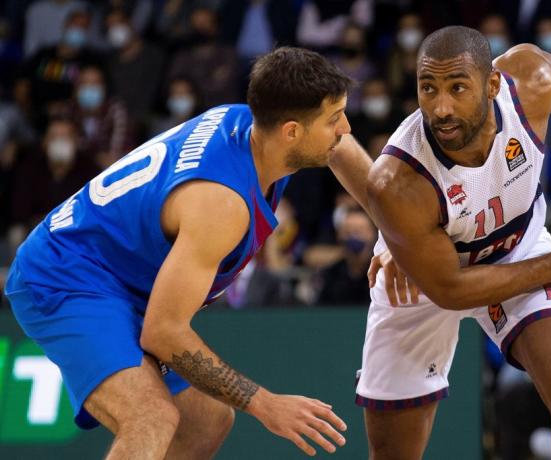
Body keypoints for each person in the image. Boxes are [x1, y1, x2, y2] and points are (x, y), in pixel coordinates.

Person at [4, 46, 373, 459]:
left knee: (207, 423)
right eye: (333, 118)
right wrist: (266, 404)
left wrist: (398, 236)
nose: (344, 128)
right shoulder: (220, 204)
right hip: (67, 273)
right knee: (150, 417)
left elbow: (347, 156)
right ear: (292, 131)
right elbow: (163, 333)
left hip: (119, 271)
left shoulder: (255, 125)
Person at [356, 26, 551, 459]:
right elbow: (449, 290)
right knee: (394, 452)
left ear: (492, 85)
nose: (441, 107)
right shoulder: (396, 181)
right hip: (425, 279)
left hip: (517, 246)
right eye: (427, 88)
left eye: (457, 88)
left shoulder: (525, 85)